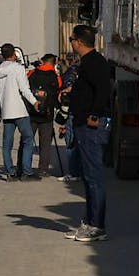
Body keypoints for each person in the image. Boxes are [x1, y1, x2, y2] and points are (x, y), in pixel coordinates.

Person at [63, 25, 112, 242]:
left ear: (79, 42)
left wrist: (94, 113)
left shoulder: (95, 63)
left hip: (91, 126)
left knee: (94, 177)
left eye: (72, 39)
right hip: (83, 124)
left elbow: (103, 90)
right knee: (88, 177)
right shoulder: (88, 63)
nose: (71, 43)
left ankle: (97, 226)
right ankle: (89, 222)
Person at [0, 43, 40, 181]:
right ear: (14, 53)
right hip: (19, 110)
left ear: (2, 55)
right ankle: (26, 171)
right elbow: (24, 89)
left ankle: (10, 172)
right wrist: (34, 102)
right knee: (28, 139)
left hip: (6, 111)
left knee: (7, 144)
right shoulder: (18, 69)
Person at [27, 54, 62, 176]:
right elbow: (58, 94)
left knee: (26, 141)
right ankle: (43, 169)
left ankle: (24, 166)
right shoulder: (55, 77)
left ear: (42, 61)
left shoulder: (32, 73)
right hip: (47, 115)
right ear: (54, 63)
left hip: (31, 112)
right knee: (46, 143)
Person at [57, 52, 82, 182]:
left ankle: (73, 172)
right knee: (79, 142)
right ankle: (80, 171)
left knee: (70, 143)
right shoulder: (82, 72)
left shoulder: (69, 74)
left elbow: (66, 96)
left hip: (71, 112)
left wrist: (63, 117)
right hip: (81, 111)